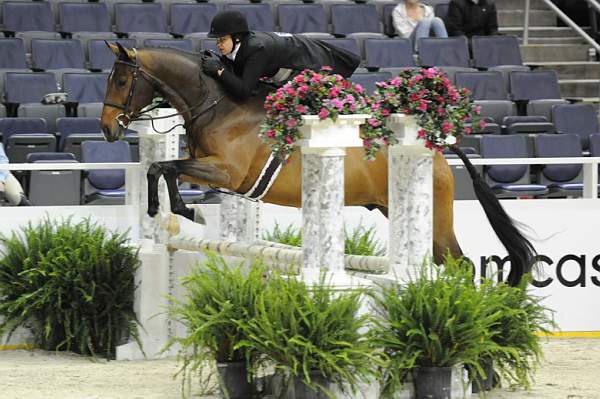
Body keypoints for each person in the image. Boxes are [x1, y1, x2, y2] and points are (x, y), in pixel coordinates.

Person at [201, 10, 361, 100]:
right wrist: (220, 62)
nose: (218, 44)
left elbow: (244, 91)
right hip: (288, 63)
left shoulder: (256, 49)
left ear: (236, 37)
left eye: (222, 40)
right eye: (217, 40)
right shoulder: (240, 45)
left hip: (310, 65)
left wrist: (219, 71)